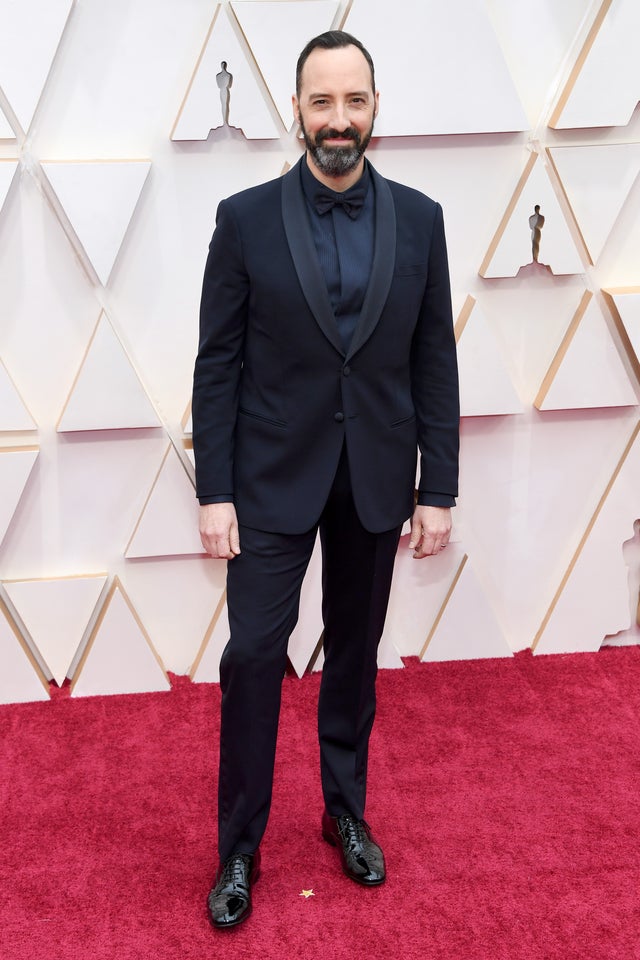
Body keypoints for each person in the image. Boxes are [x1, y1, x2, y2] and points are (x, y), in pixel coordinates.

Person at [192, 30, 459, 930]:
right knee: (254, 659)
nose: (337, 120)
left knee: (354, 658)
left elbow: (434, 361)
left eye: (353, 101)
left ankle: (345, 810)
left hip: (377, 478)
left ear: (375, 108)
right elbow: (216, 364)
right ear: (296, 110)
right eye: (321, 102)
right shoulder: (243, 219)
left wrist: (439, 487)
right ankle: (239, 845)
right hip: (267, 480)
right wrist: (213, 491)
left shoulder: (423, 219)